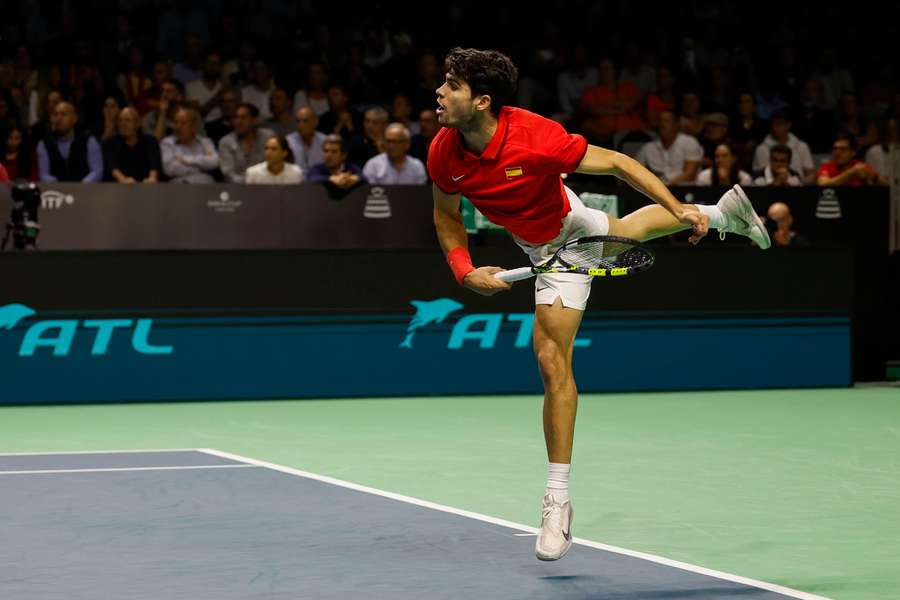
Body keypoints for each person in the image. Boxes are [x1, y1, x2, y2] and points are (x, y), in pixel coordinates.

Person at [429, 48, 769, 563]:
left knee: (550, 359)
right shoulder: (442, 151)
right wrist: (465, 269)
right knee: (628, 230)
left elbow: (619, 164)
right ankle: (721, 215)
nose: (439, 92)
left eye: (451, 86)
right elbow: (446, 215)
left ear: (481, 101)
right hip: (534, 243)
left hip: (567, 231)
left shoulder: (534, 136)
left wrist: (676, 204)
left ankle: (557, 500)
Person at [36, 101, 104, 182]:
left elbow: (97, 171)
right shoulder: (44, 144)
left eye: (63, 114)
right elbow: (44, 174)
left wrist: (80, 186)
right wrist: (60, 187)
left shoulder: (89, 140)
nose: (58, 118)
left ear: (74, 118)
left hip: (86, 190)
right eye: (55, 114)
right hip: (56, 192)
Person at [635, 109, 703, 185]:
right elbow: (635, 172)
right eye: (660, 121)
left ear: (676, 125)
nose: (662, 124)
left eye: (666, 121)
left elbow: (690, 174)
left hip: (685, 189)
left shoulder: (689, 142)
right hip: (656, 190)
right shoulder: (648, 148)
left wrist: (666, 185)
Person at [752, 111, 815, 183]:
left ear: (788, 125)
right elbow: (758, 176)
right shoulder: (761, 149)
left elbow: (810, 173)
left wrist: (798, 184)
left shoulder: (802, 146)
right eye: (773, 124)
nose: (774, 128)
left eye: (779, 124)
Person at [217, 102, 274, 183]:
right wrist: (251, 181)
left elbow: (274, 165)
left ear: (254, 120)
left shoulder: (268, 137)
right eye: (236, 118)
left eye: (243, 118)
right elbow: (228, 174)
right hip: (237, 189)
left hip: (266, 185)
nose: (238, 122)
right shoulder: (226, 142)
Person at [102, 106, 162, 183]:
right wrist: (123, 180)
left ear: (138, 123)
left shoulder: (150, 141)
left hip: (146, 187)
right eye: (120, 120)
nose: (123, 124)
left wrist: (152, 178)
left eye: (127, 120)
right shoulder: (110, 143)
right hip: (119, 188)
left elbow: (154, 165)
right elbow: (112, 167)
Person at [160, 107, 219, 183]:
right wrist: (201, 167)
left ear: (194, 126)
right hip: (179, 184)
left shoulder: (205, 142)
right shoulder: (167, 143)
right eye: (176, 122)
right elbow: (169, 169)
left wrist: (187, 159)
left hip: (205, 184)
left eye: (183, 123)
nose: (178, 126)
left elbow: (215, 161)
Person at [362, 123, 427, 185]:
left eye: (395, 142)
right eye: (388, 141)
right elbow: (369, 192)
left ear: (407, 144)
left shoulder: (417, 166)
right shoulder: (373, 165)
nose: (391, 146)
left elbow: (421, 193)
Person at [816, 132, 886, 187]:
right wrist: (851, 173)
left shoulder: (860, 166)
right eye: (835, 149)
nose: (837, 153)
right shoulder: (827, 167)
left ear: (853, 152)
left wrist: (873, 177)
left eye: (843, 149)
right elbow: (823, 184)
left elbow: (887, 186)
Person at [286, 106, 326, 174]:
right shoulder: (288, 142)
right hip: (296, 182)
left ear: (315, 122)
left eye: (305, 121)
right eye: (298, 121)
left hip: (319, 181)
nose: (300, 125)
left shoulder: (325, 141)